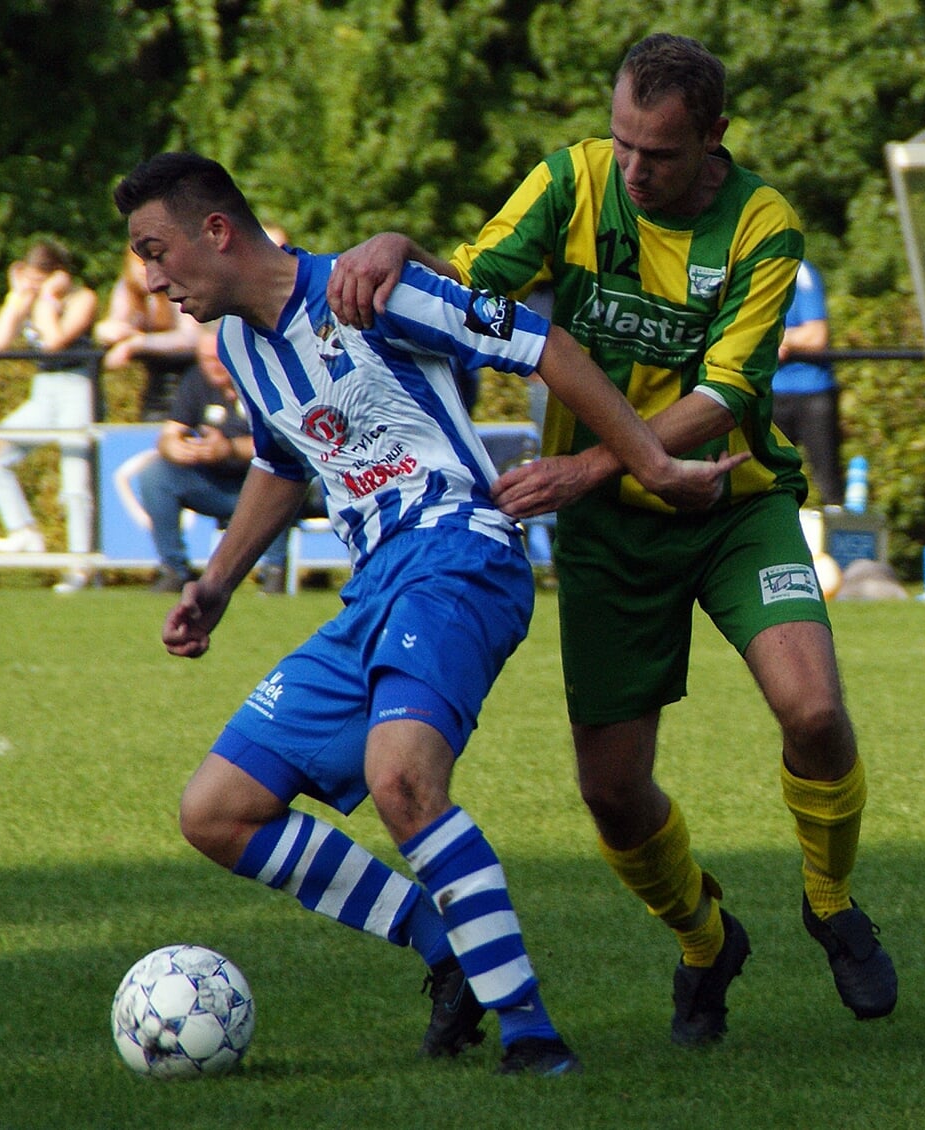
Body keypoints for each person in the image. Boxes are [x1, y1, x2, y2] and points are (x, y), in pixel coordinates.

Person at [116, 151, 743, 1076]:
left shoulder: (367, 290)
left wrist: (649, 462)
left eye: (154, 249)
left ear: (216, 230)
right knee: (215, 812)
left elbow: (541, 345)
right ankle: (445, 943)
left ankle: (531, 1037)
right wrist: (215, 583)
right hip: (375, 587)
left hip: (459, 555)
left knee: (401, 778)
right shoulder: (245, 348)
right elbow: (285, 464)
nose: (150, 277)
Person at [327, 33, 898, 1042]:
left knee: (812, 709)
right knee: (612, 791)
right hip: (609, 539)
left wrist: (590, 464)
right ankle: (705, 939)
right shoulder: (573, 181)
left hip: (734, 501)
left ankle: (831, 898)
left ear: (715, 137)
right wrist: (396, 249)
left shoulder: (764, 226)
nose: (635, 169)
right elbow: (473, 294)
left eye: (661, 154)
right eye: (624, 142)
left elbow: (726, 394)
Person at [121, 328, 291, 593]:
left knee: (281, 473)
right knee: (156, 475)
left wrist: (230, 449)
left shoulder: (262, 379)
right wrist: (174, 448)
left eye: (218, 358)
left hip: (261, 484)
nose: (212, 366)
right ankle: (174, 569)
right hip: (215, 484)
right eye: (205, 359)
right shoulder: (196, 381)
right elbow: (169, 434)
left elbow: (286, 443)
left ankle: (273, 570)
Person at [0, 239, 99, 593]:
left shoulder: (82, 298)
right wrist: (17, 300)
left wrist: (47, 301)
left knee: (75, 482)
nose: (33, 285)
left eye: (38, 278)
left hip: (76, 386)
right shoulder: (30, 298)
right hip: (43, 391)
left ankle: (80, 565)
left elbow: (56, 341)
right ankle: (24, 530)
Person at [96, 248, 202, 420]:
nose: (142, 271)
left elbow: (191, 337)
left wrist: (136, 344)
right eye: (137, 264)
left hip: (192, 377)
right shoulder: (128, 288)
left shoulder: (179, 286)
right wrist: (106, 331)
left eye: (148, 265)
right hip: (156, 382)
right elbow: (113, 324)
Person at [771, 259, 842, 505]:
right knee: (765, 483)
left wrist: (780, 338)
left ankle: (834, 540)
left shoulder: (800, 271)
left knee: (829, 485)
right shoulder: (746, 268)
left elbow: (816, 335)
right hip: (768, 395)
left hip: (812, 393)